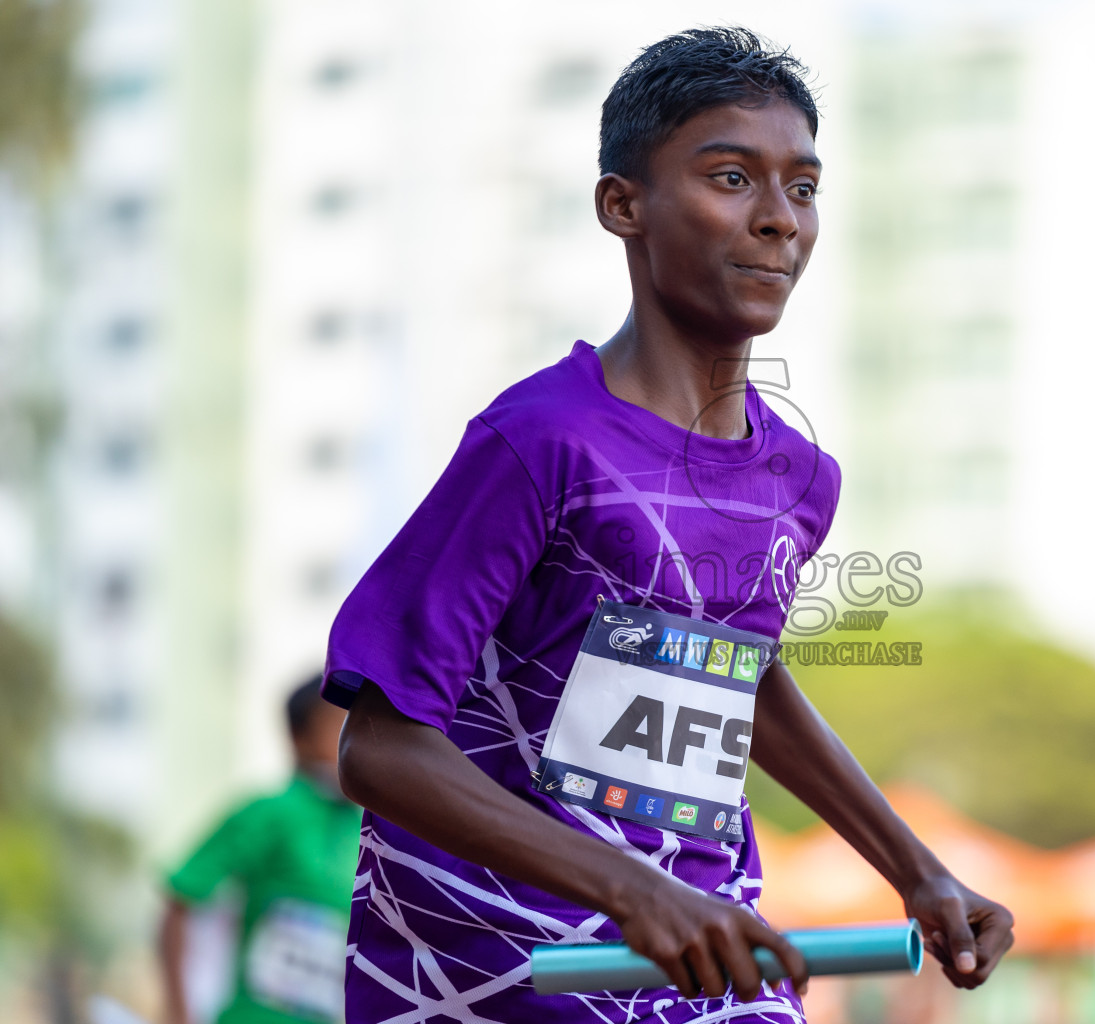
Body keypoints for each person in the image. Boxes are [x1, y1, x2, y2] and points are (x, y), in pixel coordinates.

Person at [323, 26, 1014, 1024]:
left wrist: (918, 869)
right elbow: (379, 750)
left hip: (704, 954)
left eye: (804, 188)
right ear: (623, 205)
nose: (779, 221)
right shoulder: (539, 442)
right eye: (732, 178)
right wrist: (634, 891)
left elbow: (736, 673)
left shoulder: (799, 478)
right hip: (497, 970)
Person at [159, 675, 362, 1024]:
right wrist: (178, 1013)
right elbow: (180, 898)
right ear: (299, 738)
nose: (353, 741)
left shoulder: (369, 828)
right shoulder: (269, 812)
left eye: (358, 727)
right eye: (337, 726)